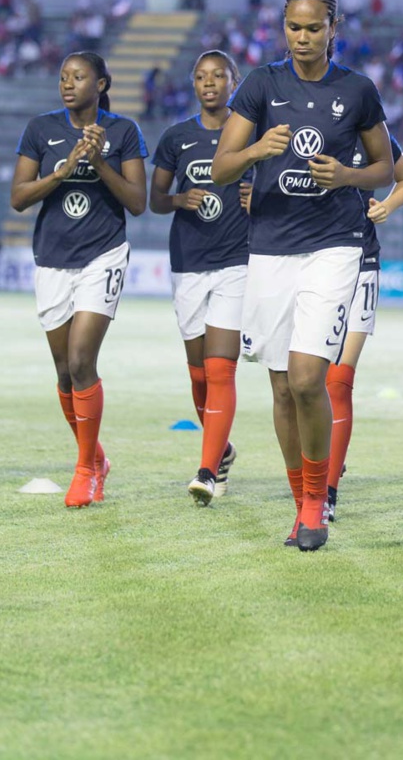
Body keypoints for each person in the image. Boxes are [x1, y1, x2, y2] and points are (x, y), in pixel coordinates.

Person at [212, 0, 393, 552]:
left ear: (333, 29)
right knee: (282, 388)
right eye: (294, 27)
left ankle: (316, 502)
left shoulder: (358, 90)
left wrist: (347, 176)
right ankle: (301, 503)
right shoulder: (262, 84)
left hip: (335, 246)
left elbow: (386, 167)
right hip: (268, 249)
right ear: (283, 29)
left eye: (314, 28)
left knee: (309, 377)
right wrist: (256, 151)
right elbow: (220, 168)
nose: (304, 37)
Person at [10, 52, 148, 508]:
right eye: (63, 77)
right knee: (64, 371)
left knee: (82, 360)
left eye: (79, 76)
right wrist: (65, 168)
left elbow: (136, 202)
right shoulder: (40, 129)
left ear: (102, 83)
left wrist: (98, 161)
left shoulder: (124, 132)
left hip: (102, 255)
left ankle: (86, 471)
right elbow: (19, 198)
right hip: (52, 259)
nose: (68, 84)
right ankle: (96, 457)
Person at [150, 51, 249, 505]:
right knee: (198, 374)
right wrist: (178, 199)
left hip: (237, 263)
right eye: (201, 77)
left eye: (218, 76)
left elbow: (275, 182)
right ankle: (221, 448)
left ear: (234, 82)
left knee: (220, 367)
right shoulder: (177, 137)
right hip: (188, 263)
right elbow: (154, 199)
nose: (209, 84)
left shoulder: (250, 132)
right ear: (193, 84)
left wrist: (256, 195)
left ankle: (207, 471)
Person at [326, 135, 403, 521]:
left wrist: (386, 207)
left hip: (360, 264)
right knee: (301, 384)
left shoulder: (369, 131)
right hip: (305, 262)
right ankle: (324, 460)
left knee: (337, 381)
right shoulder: (300, 122)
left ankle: (326, 492)